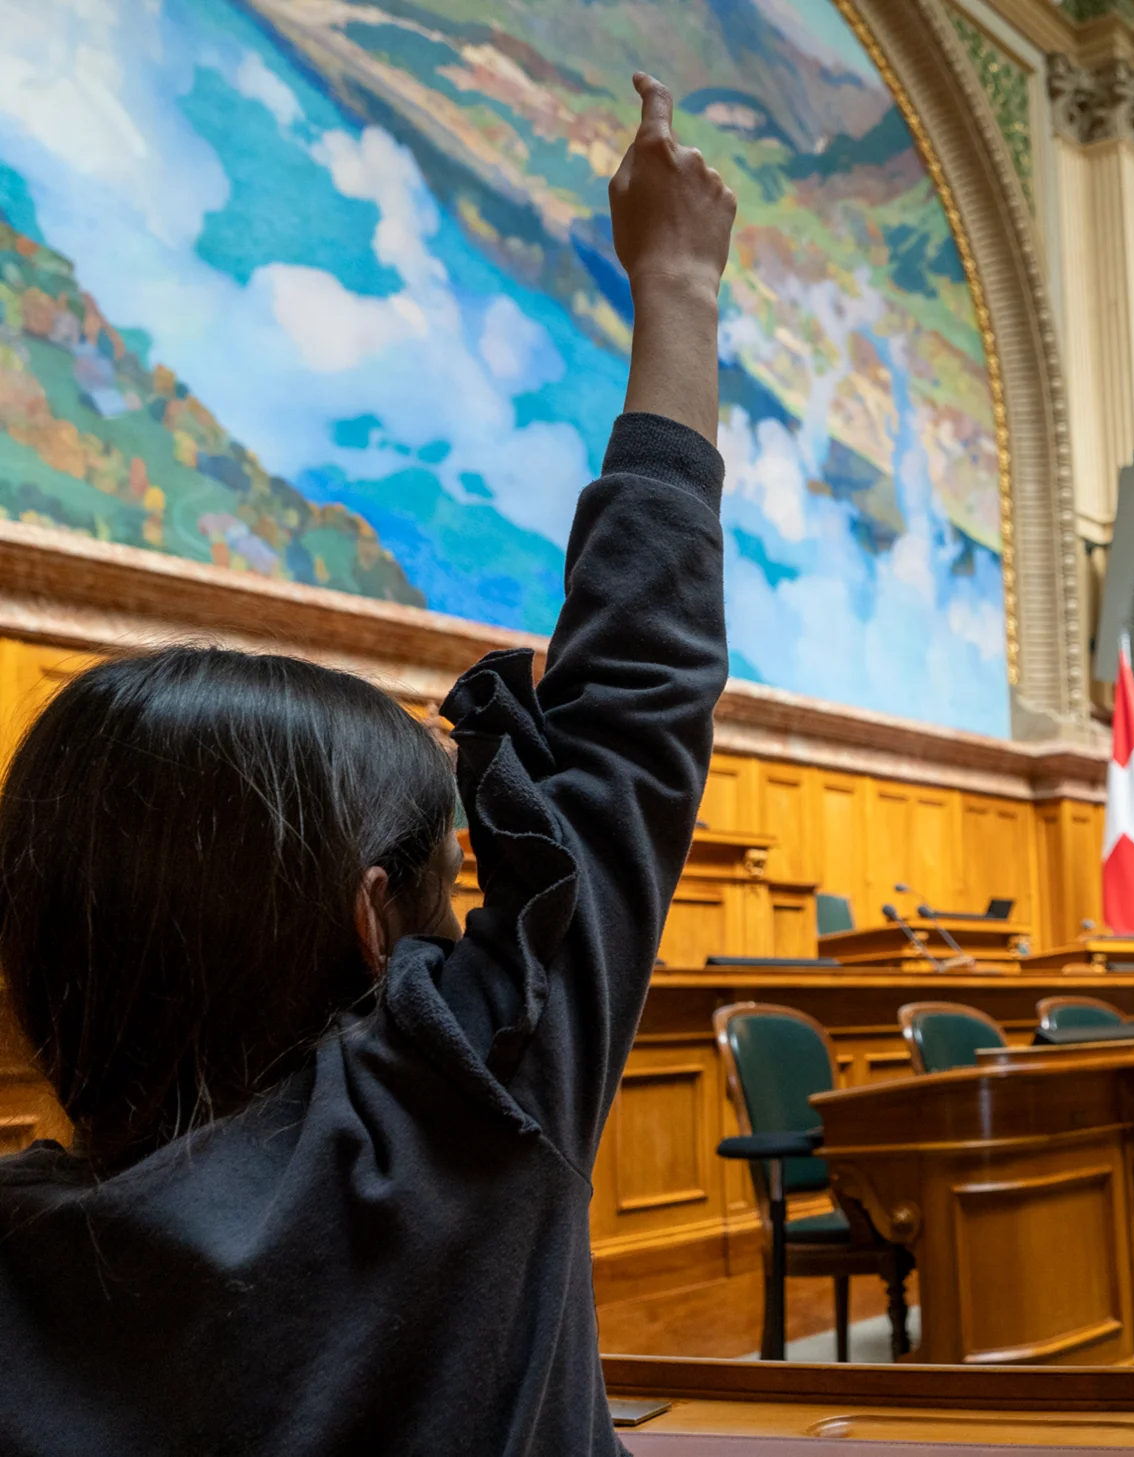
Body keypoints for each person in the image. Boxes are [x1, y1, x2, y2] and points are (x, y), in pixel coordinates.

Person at [0, 74, 736, 1454]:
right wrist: (679, 284)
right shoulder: (445, 1137)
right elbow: (637, 702)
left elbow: (633, 715)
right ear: (367, 918)